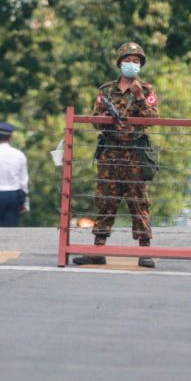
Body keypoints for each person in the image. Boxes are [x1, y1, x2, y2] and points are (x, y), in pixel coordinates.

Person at [73, 42, 159, 268]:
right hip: (110, 153)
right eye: (128, 60)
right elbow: (94, 120)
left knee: (139, 202)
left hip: (134, 154)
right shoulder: (106, 91)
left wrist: (139, 97)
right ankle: (98, 249)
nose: (132, 64)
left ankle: (145, 251)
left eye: (136, 61)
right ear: (120, 63)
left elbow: (152, 119)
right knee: (105, 202)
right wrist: (106, 117)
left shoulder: (147, 90)